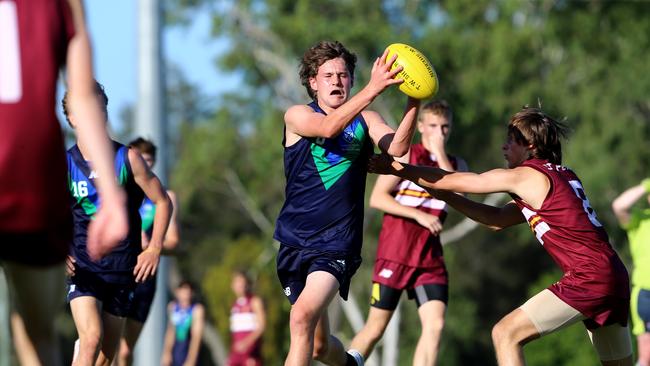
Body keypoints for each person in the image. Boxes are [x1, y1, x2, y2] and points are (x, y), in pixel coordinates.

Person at [368, 106, 633, 366]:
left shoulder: (525, 176)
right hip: (614, 275)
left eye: (510, 141)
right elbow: (495, 220)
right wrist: (442, 193)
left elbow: (457, 180)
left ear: (529, 145)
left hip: (589, 277)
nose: (504, 147)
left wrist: (397, 169)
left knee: (505, 334)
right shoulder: (561, 176)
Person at [273, 39, 421, 366]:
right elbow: (327, 128)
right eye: (328, 76)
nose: (337, 81)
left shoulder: (365, 120)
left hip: (336, 244)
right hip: (294, 242)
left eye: (343, 75)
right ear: (313, 83)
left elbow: (396, 148)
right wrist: (374, 88)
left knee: (300, 319)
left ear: (351, 80)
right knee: (317, 347)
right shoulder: (297, 115)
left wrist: (414, 101)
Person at [0, 0, 127, 364]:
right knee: (38, 331)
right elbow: (82, 95)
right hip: (31, 177)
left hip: (31, 177)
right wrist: (112, 198)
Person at [63, 81, 172, 366]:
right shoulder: (64, 165)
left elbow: (162, 202)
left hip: (123, 268)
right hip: (85, 269)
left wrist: (154, 248)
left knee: (105, 357)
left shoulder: (128, 158)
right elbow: (49, 212)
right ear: (72, 117)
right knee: (90, 338)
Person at [350, 100, 467, 365]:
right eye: (434, 126)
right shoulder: (408, 157)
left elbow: (460, 194)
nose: (440, 132)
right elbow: (377, 198)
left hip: (429, 260)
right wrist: (418, 214)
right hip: (395, 255)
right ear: (422, 127)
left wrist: (440, 154)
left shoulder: (457, 164)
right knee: (375, 329)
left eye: (445, 126)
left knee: (435, 326)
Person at [113, 137, 181, 366]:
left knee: (124, 350)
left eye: (150, 160)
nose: (145, 164)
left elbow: (173, 242)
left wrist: (151, 245)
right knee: (103, 342)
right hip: (115, 271)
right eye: (141, 159)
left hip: (145, 277)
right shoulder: (118, 191)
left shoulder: (165, 197)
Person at [612, 179, 650, 366]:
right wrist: (646, 185)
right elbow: (619, 206)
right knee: (646, 358)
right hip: (645, 293)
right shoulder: (640, 220)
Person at [162, 280, 206, 366]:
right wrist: (166, 353)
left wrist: (191, 360)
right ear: (177, 292)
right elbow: (171, 331)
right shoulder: (173, 307)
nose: (186, 292)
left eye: (188, 290)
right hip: (176, 352)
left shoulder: (197, 310)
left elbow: (196, 337)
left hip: (189, 353)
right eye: (183, 289)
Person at [228, 270, 266, 366]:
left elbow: (261, 326)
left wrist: (246, 342)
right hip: (236, 352)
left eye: (242, 282)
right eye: (237, 282)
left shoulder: (254, 301)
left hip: (250, 352)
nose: (240, 285)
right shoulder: (234, 305)